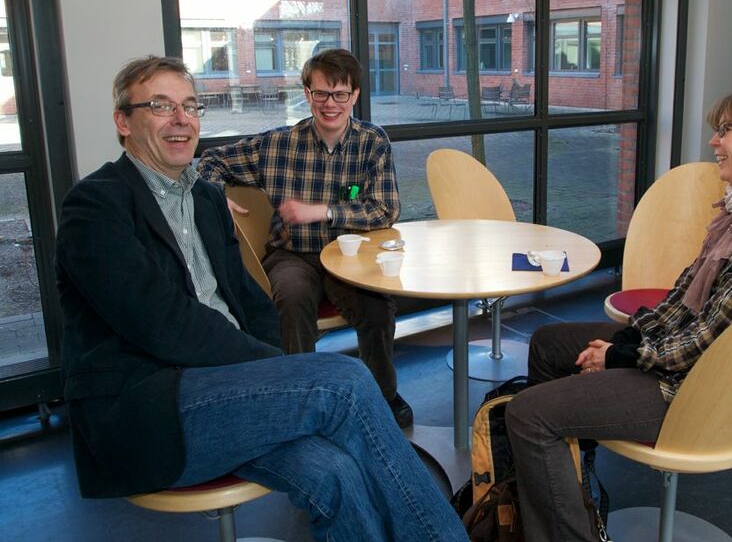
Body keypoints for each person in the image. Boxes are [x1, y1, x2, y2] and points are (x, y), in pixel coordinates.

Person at [55, 55, 466, 542]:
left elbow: (251, 304)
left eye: (191, 105)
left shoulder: (205, 201)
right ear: (124, 121)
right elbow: (164, 325)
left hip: (228, 386)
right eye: (162, 106)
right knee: (343, 381)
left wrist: (278, 373)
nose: (182, 119)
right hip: (148, 409)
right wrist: (283, 371)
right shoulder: (95, 206)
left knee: (334, 470)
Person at [505, 82, 732, 542]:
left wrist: (617, 357)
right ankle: (568, 494)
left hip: (698, 394)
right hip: (694, 367)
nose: (714, 142)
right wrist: (626, 342)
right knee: (548, 343)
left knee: (528, 414)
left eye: (725, 130)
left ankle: (563, 524)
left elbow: (704, 342)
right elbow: (683, 304)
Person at [197, 48, 412, 427]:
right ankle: (303, 401)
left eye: (340, 94)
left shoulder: (372, 142)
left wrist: (322, 211)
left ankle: (384, 395)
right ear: (307, 94)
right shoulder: (277, 144)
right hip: (292, 254)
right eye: (320, 94)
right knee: (291, 298)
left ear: (355, 95)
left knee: (377, 307)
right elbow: (211, 161)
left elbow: (385, 209)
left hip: (350, 255)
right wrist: (219, 199)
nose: (330, 104)